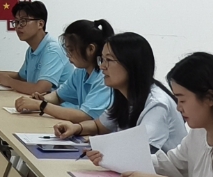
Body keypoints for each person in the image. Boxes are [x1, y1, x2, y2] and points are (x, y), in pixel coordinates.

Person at [52, 31, 184, 152]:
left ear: (131, 64)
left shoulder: (156, 103)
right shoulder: (124, 95)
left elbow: (141, 150)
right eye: (102, 59)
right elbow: (99, 126)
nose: (102, 66)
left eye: (109, 60)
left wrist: (102, 145)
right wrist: (76, 128)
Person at [14, 18, 115, 121]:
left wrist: (41, 105)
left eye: (71, 50)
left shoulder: (104, 77)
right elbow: (58, 96)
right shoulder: (80, 72)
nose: (67, 55)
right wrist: (41, 99)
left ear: (91, 49)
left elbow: (85, 116)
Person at [0, 0, 68, 97]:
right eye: (16, 22)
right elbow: (21, 77)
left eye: (23, 21)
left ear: (40, 24)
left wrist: (9, 82)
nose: (18, 27)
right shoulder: (32, 50)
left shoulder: (53, 50)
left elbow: (40, 89)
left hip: (60, 105)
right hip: (39, 102)